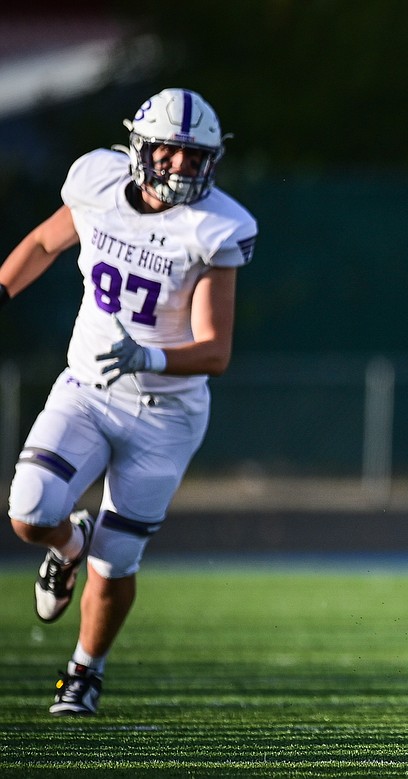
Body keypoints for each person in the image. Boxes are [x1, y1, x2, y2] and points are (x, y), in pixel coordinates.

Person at [1, 88, 257, 715]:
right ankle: (67, 545)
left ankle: (84, 672)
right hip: (88, 389)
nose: (179, 167)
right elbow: (41, 244)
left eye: (194, 157)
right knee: (30, 512)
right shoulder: (95, 181)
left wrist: (152, 357)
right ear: (141, 149)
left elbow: (215, 351)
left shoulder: (215, 228)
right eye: (169, 152)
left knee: (117, 561)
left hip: (165, 416)